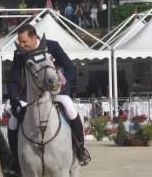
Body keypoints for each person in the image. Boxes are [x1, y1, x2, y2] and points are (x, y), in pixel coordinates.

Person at [7, 24, 91, 174]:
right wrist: (14, 100)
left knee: (70, 108)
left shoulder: (52, 46)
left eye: (24, 41)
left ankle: (80, 149)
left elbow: (70, 67)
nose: (21, 45)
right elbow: (13, 79)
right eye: (20, 42)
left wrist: (62, 81)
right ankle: (14, 160)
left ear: (34, 38)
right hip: (30, 95)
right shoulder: (20, 53)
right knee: (13, 120)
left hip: (56, 90)